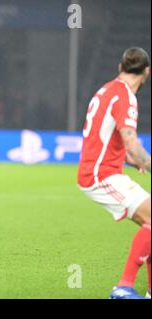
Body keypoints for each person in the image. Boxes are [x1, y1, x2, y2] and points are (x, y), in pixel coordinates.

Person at [78, 47, 151, 299]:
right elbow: (131, 143)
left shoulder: (106, 90)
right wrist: (142, 159)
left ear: (120, 68)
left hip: (99, 169)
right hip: (100, 174)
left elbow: (109, 138)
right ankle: (124, 287)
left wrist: (131, 160)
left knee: (148, 223)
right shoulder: (126, 97)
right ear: (147, 72)